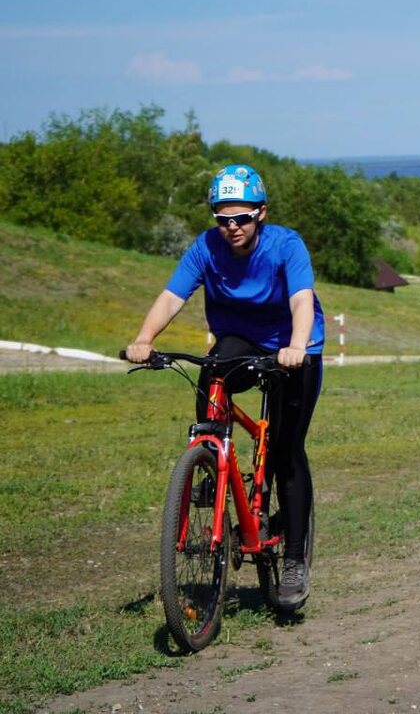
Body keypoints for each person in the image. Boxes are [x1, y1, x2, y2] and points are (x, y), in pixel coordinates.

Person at [125, 164, 324, 608]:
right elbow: (173, 295)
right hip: (240, 339)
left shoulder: (285, 245)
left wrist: (295, 346)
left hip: (293, 344)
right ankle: (211, 462)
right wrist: (144, 339)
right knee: (213, 369)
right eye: (223, 218)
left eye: (241, 217)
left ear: (261, 214)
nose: (232, 227)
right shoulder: (206, 248)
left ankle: (293, 561)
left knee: (286, 453)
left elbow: (301, 299)